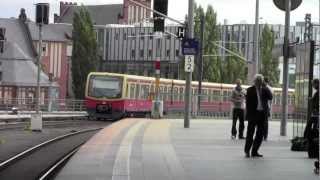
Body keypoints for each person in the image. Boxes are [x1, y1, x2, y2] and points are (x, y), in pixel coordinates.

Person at [244, 74, 273, 158]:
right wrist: (248, 115)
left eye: (261, 81)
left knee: (260, 134)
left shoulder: (264, 90)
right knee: (250, 134)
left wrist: (266, 86)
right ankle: (247, 151)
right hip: (253, 114)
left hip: (262, 114)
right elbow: (248, 104)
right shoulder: (249, 90)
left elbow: (271, 97)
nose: (259, 82)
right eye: (258, 81)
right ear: (255, 81)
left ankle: (255, 151)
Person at [303, 79, 319, 171]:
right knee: (310, 129)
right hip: (315, 115)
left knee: (309, 129)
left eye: (313, 84)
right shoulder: (317, 92)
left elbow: (316, 104)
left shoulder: (318, 92)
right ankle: (306, 139)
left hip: (316, 116)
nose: (313, 86)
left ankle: (306, 139)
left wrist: (312, 100)